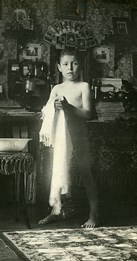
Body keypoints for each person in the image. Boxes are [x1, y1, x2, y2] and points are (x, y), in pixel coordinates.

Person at [38, 48, 98, 228]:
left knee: (85, 173)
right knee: (57, 172)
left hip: (79, 137)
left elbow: (88, 113)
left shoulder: (83, 87)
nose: (70, 68)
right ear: (59, 67)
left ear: (80, 66)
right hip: (61, 138)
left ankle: (94, 214)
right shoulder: (56, 88)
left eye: (74, 63)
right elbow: (45, 112)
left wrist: (68, 107)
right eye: (65, 64)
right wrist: (54, 107)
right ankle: (56, 210)